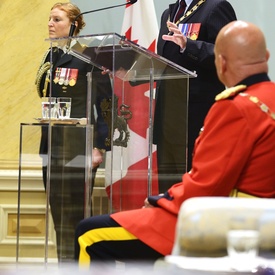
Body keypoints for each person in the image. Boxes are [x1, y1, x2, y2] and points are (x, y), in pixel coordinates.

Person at [74, 20, 275, 266]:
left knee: (89, 234)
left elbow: (206, 187)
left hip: (224, 223)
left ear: (220, 62)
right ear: (266, 56)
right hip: (262, 224)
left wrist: (162, 199)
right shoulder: (268, 99)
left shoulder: (235, 108)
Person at [35, 2, 111, 262]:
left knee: (77, 216)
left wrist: (99, 146)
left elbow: (106, 104)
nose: (50, 24)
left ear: (74, 25)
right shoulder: (51, 56)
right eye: (49, 19)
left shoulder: (88, 56)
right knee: (58, 215)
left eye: (57, 19)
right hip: (52, 146)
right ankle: (65, 266)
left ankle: (81, 266)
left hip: (79, 146)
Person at [154, 0, 237, 192]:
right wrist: (129, 72)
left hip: (196, 113)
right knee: (168, 187)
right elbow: (166, 63)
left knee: (193, 186)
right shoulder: (169, 12)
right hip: (168, 114)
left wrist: (188, 45)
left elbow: (228, 54)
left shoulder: (216, 7)